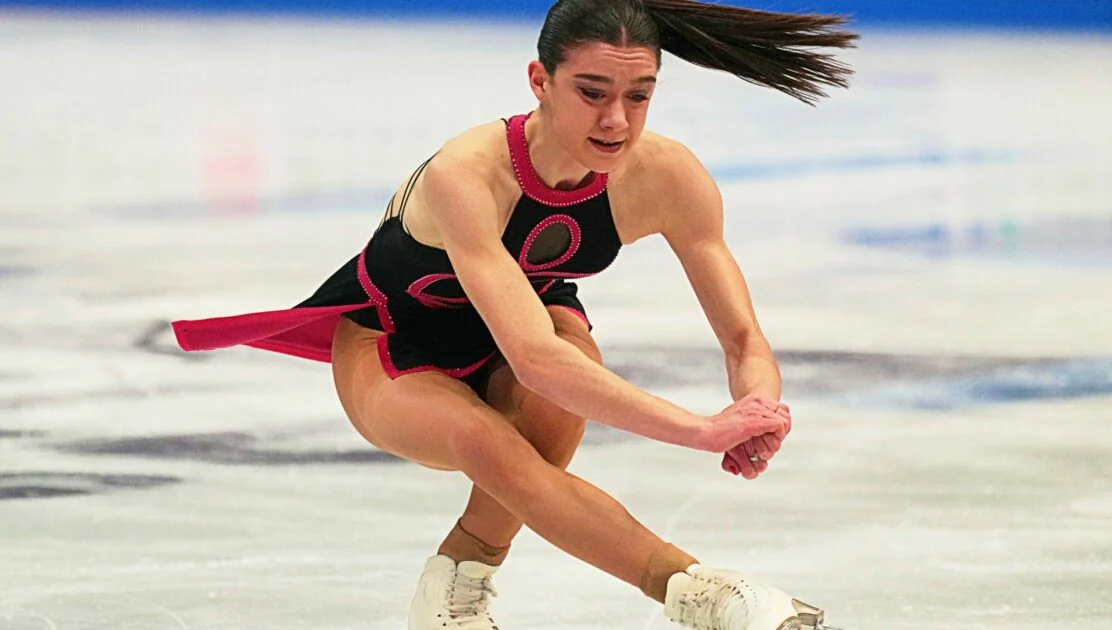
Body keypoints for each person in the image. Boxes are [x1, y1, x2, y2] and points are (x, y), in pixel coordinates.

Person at [171, 0, 857, 628]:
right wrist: (701, 429)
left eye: (638, 95)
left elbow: (742, 337)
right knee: (488, 438)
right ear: (540, 80)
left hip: (532, 325)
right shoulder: (467, 173)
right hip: (396, 343)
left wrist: (757, 409)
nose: (615, 120)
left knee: (565, 385)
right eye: (592, 93)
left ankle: (455, 584)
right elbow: (534, 358)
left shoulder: (668, 178)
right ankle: (700, 594)